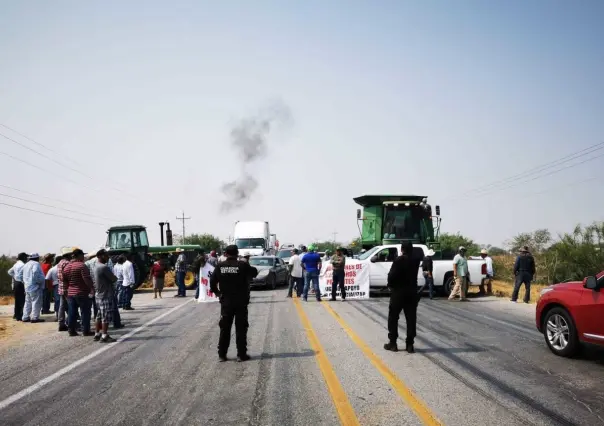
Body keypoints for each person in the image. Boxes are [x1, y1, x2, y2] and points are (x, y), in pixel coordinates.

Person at [210, 245, 258, 362]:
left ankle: (222, 355)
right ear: (237, 254)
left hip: (226, 302)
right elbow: (254, 273)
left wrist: (218, 294)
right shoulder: (242, 265)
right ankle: (241, 355)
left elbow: (212, 283)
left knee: (225, 329)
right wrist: (245, 262)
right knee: (241, 328)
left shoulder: (220, 266)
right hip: (241, 302)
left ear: (225, 254)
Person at [384, 242, 422, 353]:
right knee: (411, 319)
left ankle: (393, 343)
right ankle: (410, 344)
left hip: (398, 292)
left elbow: (391, 276)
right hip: (411, 293)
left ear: (402, 249)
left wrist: (390, 285)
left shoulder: (399, 260)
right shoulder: (415, 261)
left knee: (393, 318)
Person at [63, 248, 95, 336]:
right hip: (82, 292)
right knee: (85, 312)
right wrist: (92, 288)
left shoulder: (67, 267)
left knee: (72, 312)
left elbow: (64, 280)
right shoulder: (81, 265)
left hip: (70, 293)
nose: (84, 257)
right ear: (80, 255)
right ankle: (86, 330)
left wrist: (66, 291)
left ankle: (71, 330)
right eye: (83, 255)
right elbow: (86, 279)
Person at [93, 249, 118, 342]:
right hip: (105, 294)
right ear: (102, 256)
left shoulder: (95, 266)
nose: (108, 257)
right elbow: (113, 279)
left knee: (99, 316)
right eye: (106, 255)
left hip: (99, 294)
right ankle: (104, 335)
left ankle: (97, 333)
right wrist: (115, 277)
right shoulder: (104, 267)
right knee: (106, 316)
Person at [22, 253, 46, 323]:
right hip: (35, 286)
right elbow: (35, 272)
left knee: (28, 303)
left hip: (27, 287)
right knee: (36, 302)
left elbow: (21, 274)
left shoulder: (26, 264)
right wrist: (38, 282)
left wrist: (25, 281)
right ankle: (35, 318)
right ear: (37, 258)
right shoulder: (36, 264)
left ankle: (25, 317)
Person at [56, 247, 75, 331]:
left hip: (61, 287)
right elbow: (68, 276)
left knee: (62, 306)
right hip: (67, 287)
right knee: (71, 306)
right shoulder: (67, 263)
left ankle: (61, 323)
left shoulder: (60, 262)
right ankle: (72, 324)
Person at [8, 252, 28, 321]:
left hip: (16, 283)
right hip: (20, 283)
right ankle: (20, 315)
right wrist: (19, 278)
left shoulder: (16, 264)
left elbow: (9, 272)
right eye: (26, 257)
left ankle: (16, 315)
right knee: (22, 300)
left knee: (17, 300)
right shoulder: (23, 265)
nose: (27, 259)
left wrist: (15, 277)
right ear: (23, 258)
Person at [45, 256, 62, 321]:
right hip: (63, 285)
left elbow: (47, 278)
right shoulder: (64, 267)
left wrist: (48, 288)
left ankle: (58, 316)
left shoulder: (52, 269)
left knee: (57, 300)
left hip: (55, 286)